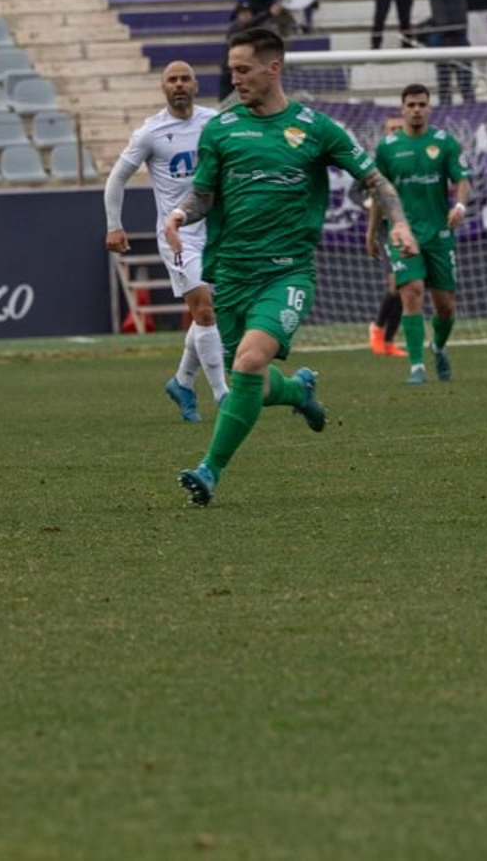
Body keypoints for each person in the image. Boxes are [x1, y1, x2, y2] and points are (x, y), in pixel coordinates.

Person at [163, 27, 416, 506]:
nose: (234, 79)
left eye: (243, 69)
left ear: (272, 67)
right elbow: (203, 195)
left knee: (249, 361)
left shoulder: (316, 128)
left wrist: (398, 224)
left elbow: (374, 179)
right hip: (232, 274)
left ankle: (209, 471)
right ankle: (298, 392)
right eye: (231, 70)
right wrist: (179, 213)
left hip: (287, 272)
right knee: (250, 383)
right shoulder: (220, 128)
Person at [104, 62, 225, 423]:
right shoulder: (151, 132)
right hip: (177, 235)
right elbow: (116, 179)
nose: (179, 85)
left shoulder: (214, 122)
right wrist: (114, 226)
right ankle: (224, 396)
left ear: (195, 84)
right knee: (204, 309)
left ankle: (183, 381)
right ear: (163, 88)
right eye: (172, 80)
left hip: (215, 230)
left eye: (185, 78)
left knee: (208, 313)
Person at [368, 85, 470, 386]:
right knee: (411, 291)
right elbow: (378, 192)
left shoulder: (444, 143)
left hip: (439, 235)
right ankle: (416, 367)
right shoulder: (387, 147)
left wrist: (460, 205)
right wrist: (372, 231)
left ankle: (437, 346)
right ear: (402, 108)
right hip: (402, 234)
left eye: (421, 104)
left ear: (429, 108)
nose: (416, 109)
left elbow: (462, 179)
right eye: (411, 104)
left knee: (445, 307)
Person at [364, 118, 409, 360]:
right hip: (384, 227)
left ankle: (389, 340)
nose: (396, 132)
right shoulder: (376, 161)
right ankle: (377, 329)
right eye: (391, 128)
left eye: (399, 129)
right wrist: (366, 202)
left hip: (406, 225)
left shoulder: (408, 158)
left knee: (406, 286)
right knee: (396, 283)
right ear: (384, 132)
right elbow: (357, 190)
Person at [424, 0, 477, 106]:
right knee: (444, 82)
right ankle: (445, 109)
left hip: (461, 37)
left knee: (465, 80)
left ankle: (470, 109)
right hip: (442, 38)